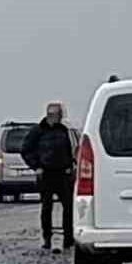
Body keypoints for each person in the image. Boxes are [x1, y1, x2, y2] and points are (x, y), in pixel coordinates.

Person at [21, 102, 75, 250]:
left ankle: (68, 238)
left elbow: (69, 150)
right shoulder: (37, 131)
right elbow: (26, 150)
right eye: (60, 114)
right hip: (46, 173)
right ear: (52, 115)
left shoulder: (63, 130)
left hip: (63, 174)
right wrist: (36, 167)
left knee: (68, 207)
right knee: (46, 207)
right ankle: (47, 238)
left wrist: (70, 165)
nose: (61, 117)